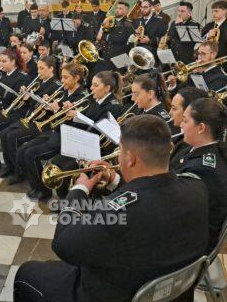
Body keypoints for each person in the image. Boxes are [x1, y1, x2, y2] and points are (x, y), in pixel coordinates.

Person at [14, 115, 209, 302]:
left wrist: (79, 190)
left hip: (113, 294)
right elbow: (149, 192)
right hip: (173, 291)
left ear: (130, 158)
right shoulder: (197, 187)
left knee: (27, 272)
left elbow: (63, 245)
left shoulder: (115, 213)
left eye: (121, 151)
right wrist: (116, 181)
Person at [18, 62, 87, 199]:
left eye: (66, 77)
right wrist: (48, 106)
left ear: (76, 78)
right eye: (62, 77)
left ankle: (43, 191)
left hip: (66, 138)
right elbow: (54, 117)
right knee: (24, 149)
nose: (62, 81)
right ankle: (36, 186)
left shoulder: (82, 96)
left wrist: (58, 110)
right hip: (54, 132)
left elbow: (79, 125)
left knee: (31, 154)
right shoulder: (63, 92)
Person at [172, 97, 227, 251]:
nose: (181, 125)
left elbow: (173, 207)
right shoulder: (193, 149)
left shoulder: (204, 169)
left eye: (185, 120)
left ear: (201, 128)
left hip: (190, 245)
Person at [0, 56, 61, 184]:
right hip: (30, 119)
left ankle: (19, 172)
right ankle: (10, 166)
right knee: (4, 134)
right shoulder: (40, 82)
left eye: (42, 68)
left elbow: (42, 108)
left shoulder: (55, 86)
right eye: (38, 68)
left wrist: (30, 98)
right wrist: (25, 95)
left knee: (12, 137)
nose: (38, 71)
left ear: (51, 69)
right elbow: (30, 105)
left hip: (42, 124)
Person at [169, 87, 208, 168]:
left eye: (174, 108)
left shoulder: (192, 142)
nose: (170, 113)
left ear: (188, 111)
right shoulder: (174, 130)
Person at [97, 1, 135, 71]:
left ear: (126, 11)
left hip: (121, 57)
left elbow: (120, 38)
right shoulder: (110, 20)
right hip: (107, 55)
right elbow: (99, 36)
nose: (117, 10)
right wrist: (103, 25)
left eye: (120, 8)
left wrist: (104, 37)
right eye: (117, 8)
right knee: (106, 78)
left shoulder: (128, 24)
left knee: (120, 78)